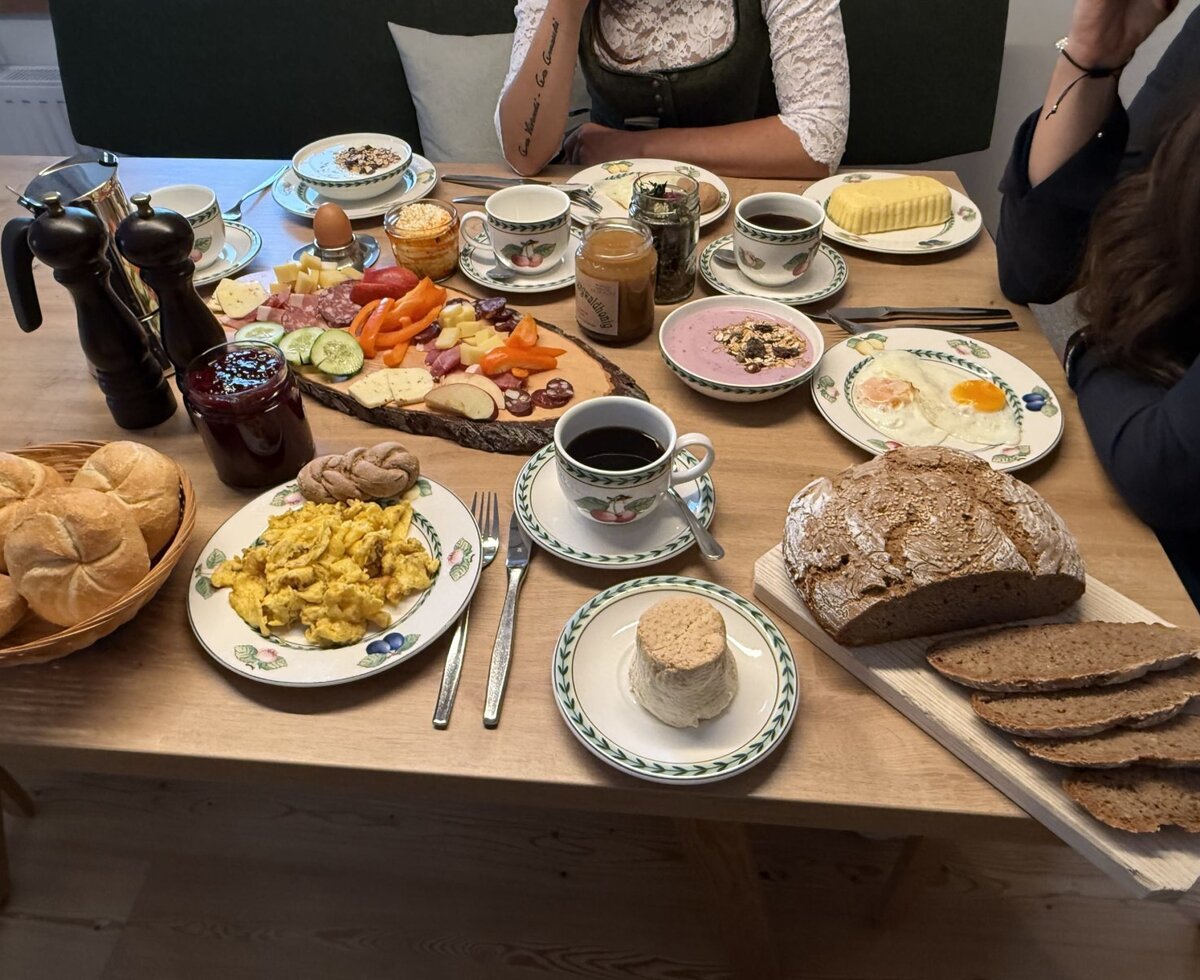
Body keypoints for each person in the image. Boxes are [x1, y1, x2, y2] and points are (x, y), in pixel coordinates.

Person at [995, 0, 1200, 605]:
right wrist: (1093, 55)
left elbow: (1164, 467)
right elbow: (1036, 267)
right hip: (1129, 447)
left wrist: (1086, 349)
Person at [494, 0, 849, 178]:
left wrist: (631, 148)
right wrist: (566, 7)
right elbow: (525, 155)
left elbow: (818, 140)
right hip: (603, 215)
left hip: (742, 204)